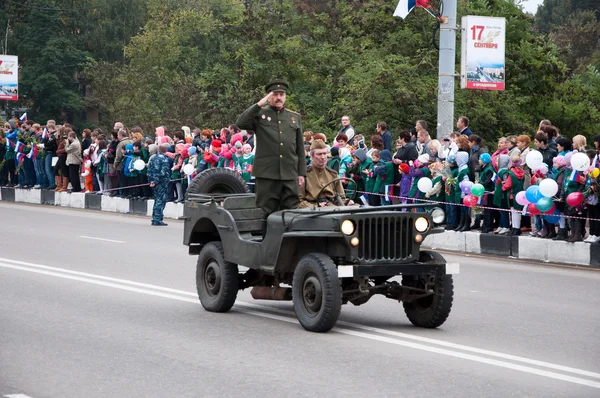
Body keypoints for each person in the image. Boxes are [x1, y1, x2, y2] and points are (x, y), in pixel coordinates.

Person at [236, 79, 306, 235]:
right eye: (275, 94)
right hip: (267, 173)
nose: (279, 97)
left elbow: (300, 148)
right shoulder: (260, 115)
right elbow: (241, 122)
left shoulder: (294, 118)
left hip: (289, 172)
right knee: (265, 212)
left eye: (282, 94)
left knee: (292, 212)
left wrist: (301, 173)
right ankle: (264, 247)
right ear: (269, 96)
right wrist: (259, 104)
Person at [299, 139, 350, 208]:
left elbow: (341, 198)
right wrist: (315, 206)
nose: (323, 157)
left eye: (324, 153)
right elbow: (299, 201)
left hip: (332, 209)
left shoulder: (333, 174)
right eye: (319, 154)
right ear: (311, 156)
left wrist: (347, 202)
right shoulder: (304, 175)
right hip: (312, 212)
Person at [147, 143, 172, 226]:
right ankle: (157, 219)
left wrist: (151, 181)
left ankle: (155, 218)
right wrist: (156, 181)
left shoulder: (153, 158)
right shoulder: (164, 159)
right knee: (160, 200)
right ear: (165, 151)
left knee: (157, 199)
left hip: (154, 182)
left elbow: (149, 171)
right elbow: (163, 172)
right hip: (161, 183)